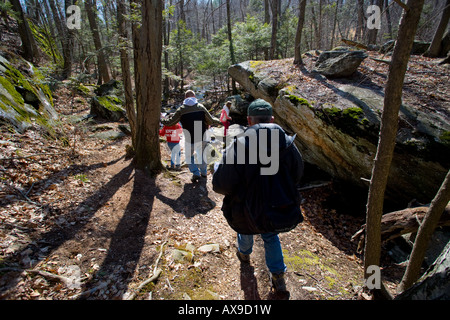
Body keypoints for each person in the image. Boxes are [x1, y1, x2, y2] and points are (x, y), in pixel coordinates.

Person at [212, 99, 304, 293]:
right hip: (277, 205)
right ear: (272, 119)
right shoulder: (287, 143)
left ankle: (244, 255)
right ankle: (278, 276)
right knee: (271, 236)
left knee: (245, 229)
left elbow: (222, 184)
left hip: (246, 207)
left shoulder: (239, 144)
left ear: (249, 121)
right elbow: (297, 173)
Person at [162, 90, 220, 182]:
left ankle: (195, 173)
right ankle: (204, 173)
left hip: (189, 138)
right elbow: (210, 120)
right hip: (202, 136)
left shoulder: (181, 109)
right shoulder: (201, 107)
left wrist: (161, 120)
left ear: (185, 98)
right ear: (194, 97)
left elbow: (171, 123)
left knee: (189, 156)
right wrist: (219, 121)